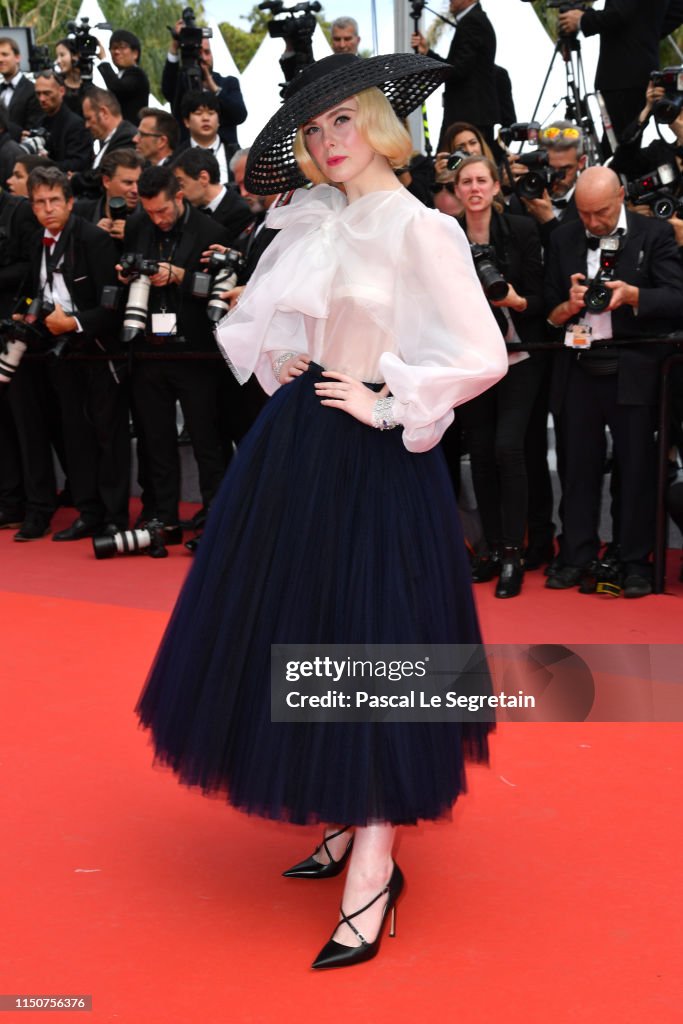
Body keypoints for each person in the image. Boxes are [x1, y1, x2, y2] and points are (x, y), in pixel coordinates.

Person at [136, 52, 507, 969]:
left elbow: (481, 352)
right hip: (299, 449)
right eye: (311, 129)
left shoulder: (423, 229)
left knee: (374, 641)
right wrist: (298, 360)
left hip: (375, 458)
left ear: (378, 120)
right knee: (302, 629)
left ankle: (375, 857)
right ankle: (348, 813)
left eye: (342, 120)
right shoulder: (312, 221)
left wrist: (388, 399)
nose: (327, 141)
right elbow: (270, 332)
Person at [545, 166, 683, 597]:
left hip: (635, 365)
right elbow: (545, 312)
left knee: (638, 470)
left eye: (601, 212)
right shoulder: (563, 236)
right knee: (577, 467)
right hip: (579, 367)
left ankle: (634, 560)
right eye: (584, 214)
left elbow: (678, 297)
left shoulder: (654, 233)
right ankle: (575, 555)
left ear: (622, 195)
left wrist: (633, 295)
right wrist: (566, 307)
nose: (592, 223)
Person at [453, 156, 545, 598]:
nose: (473, 188)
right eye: (465, 181)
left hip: (519, 357)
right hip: (472, 362)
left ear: (494, 187)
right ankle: (488, 549)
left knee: (509, 448)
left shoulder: (522, 230)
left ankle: (513, 552)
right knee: (482, 454)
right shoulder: (447, 236)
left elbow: (542, 298)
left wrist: (514, 300)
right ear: (456, 189)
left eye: (481, 180)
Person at [558, 1, 671, 140]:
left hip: (621, 73)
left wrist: (582, 20)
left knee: (618, 147)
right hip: (640, 70)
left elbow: (617, 13)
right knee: (627, 142)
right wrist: (644, 34)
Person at [411, 0, 498, 150]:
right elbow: (459, 67)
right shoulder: (474, 20)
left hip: (468, 116)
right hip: (470, 114)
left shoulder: (472, 21)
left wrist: (428, 58)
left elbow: (458, 71)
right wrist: (427, 53)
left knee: (452, 167)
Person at [162, 26, 247, 149]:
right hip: (187, 156)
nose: (203, 58)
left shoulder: (228, 83)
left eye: (207, 52)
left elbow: (239, 115)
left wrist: (213, 87)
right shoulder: (181, 83)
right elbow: (167, 90)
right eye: (198, 53)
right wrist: (175, 45)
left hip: (225, 154)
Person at [31, 71, 92, 173]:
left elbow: (79, 163)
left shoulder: (76, 125)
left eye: (47, 93)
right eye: (38, 94)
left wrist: (46, 164)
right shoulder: (39, 123)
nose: (42, 99)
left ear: (61, 91)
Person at [96, 30, 149, 126]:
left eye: (122, 47)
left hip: (131, 134)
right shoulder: (119, 76)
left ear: (135, 53)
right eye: (113, 48)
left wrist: (103, 60)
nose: (116, 52)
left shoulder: (137, 74)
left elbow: (118, 88)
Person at [0, 36, 41, 135]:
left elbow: (32, 130)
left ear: (17, 57)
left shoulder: (32, 90)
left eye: (5, 54)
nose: (0, 59)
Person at [54, 38, 86, 117]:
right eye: (57, 56)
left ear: (75, 56)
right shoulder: (56, 85)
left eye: (62, 55)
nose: (58, 61)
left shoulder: (88, 86)